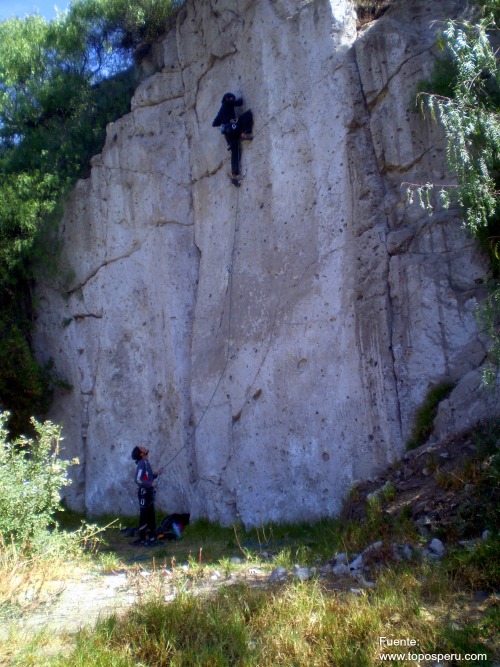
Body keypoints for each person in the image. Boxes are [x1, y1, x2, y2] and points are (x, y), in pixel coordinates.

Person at [212, 92, 253, 187]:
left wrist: (223, 121)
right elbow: (240, 103)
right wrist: (241, 96)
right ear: (227, 98)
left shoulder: (220, 111)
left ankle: (234, 176)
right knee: (248, 115)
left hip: (228, 134)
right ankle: (244, 134)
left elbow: (214, 123)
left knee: (235, 152)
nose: (232, 100)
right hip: (233, 127)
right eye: (231, 98)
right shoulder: (227, 103)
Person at [131, 445, 163, 546]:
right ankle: (143, 538)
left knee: (150, 515)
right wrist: (150, 484)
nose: (144, 447)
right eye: (141, 448)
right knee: (144, 515)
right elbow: (138, 480)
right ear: (141, 454)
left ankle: (152, 537)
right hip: (144, 494)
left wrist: (156, 474)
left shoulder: (145, 463)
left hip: (148, 493)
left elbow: (147, 477)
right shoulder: (142, 464)